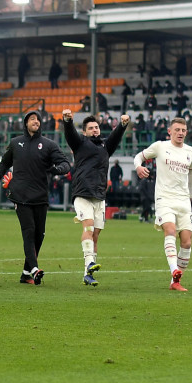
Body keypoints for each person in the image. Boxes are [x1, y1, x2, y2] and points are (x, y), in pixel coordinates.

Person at [0, 110, 71, 285]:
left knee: (39, 235)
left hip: (41, 196)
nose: (36, 121)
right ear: (26, 123)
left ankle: (26, 273)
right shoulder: (15, 142)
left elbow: (65, 163)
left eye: (38, 119)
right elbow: (5, 162)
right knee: (28, 231)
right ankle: (34, 269)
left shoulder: (49, 145)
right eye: (32, 119)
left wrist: (58, 170)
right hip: (20, 195)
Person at [61, 109, 130, 286]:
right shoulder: (80, 143)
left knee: (96, 236)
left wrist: (122, 125)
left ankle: (87, 274)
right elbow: (70, 135)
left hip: (100, 195)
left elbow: (115, 137)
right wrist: (67, 121)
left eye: (97, 127)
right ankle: (89, 263)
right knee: (89, 228)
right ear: (84, 131)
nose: (95, 130)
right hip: (83, 193)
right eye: (91, 128)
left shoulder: (105, 147)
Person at [133, 117, 192, 291]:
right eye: (177, 130)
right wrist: (138, 166)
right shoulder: (160, 146)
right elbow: (139, 156)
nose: (180, 133)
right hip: (164, 198)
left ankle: (175, 282)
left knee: (187, 242)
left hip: (183, 200)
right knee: (169, 230)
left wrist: (190, 195)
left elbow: (191, 174)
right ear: (170, 131)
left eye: (183, 130)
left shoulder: (190, 151)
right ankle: (173, 269)